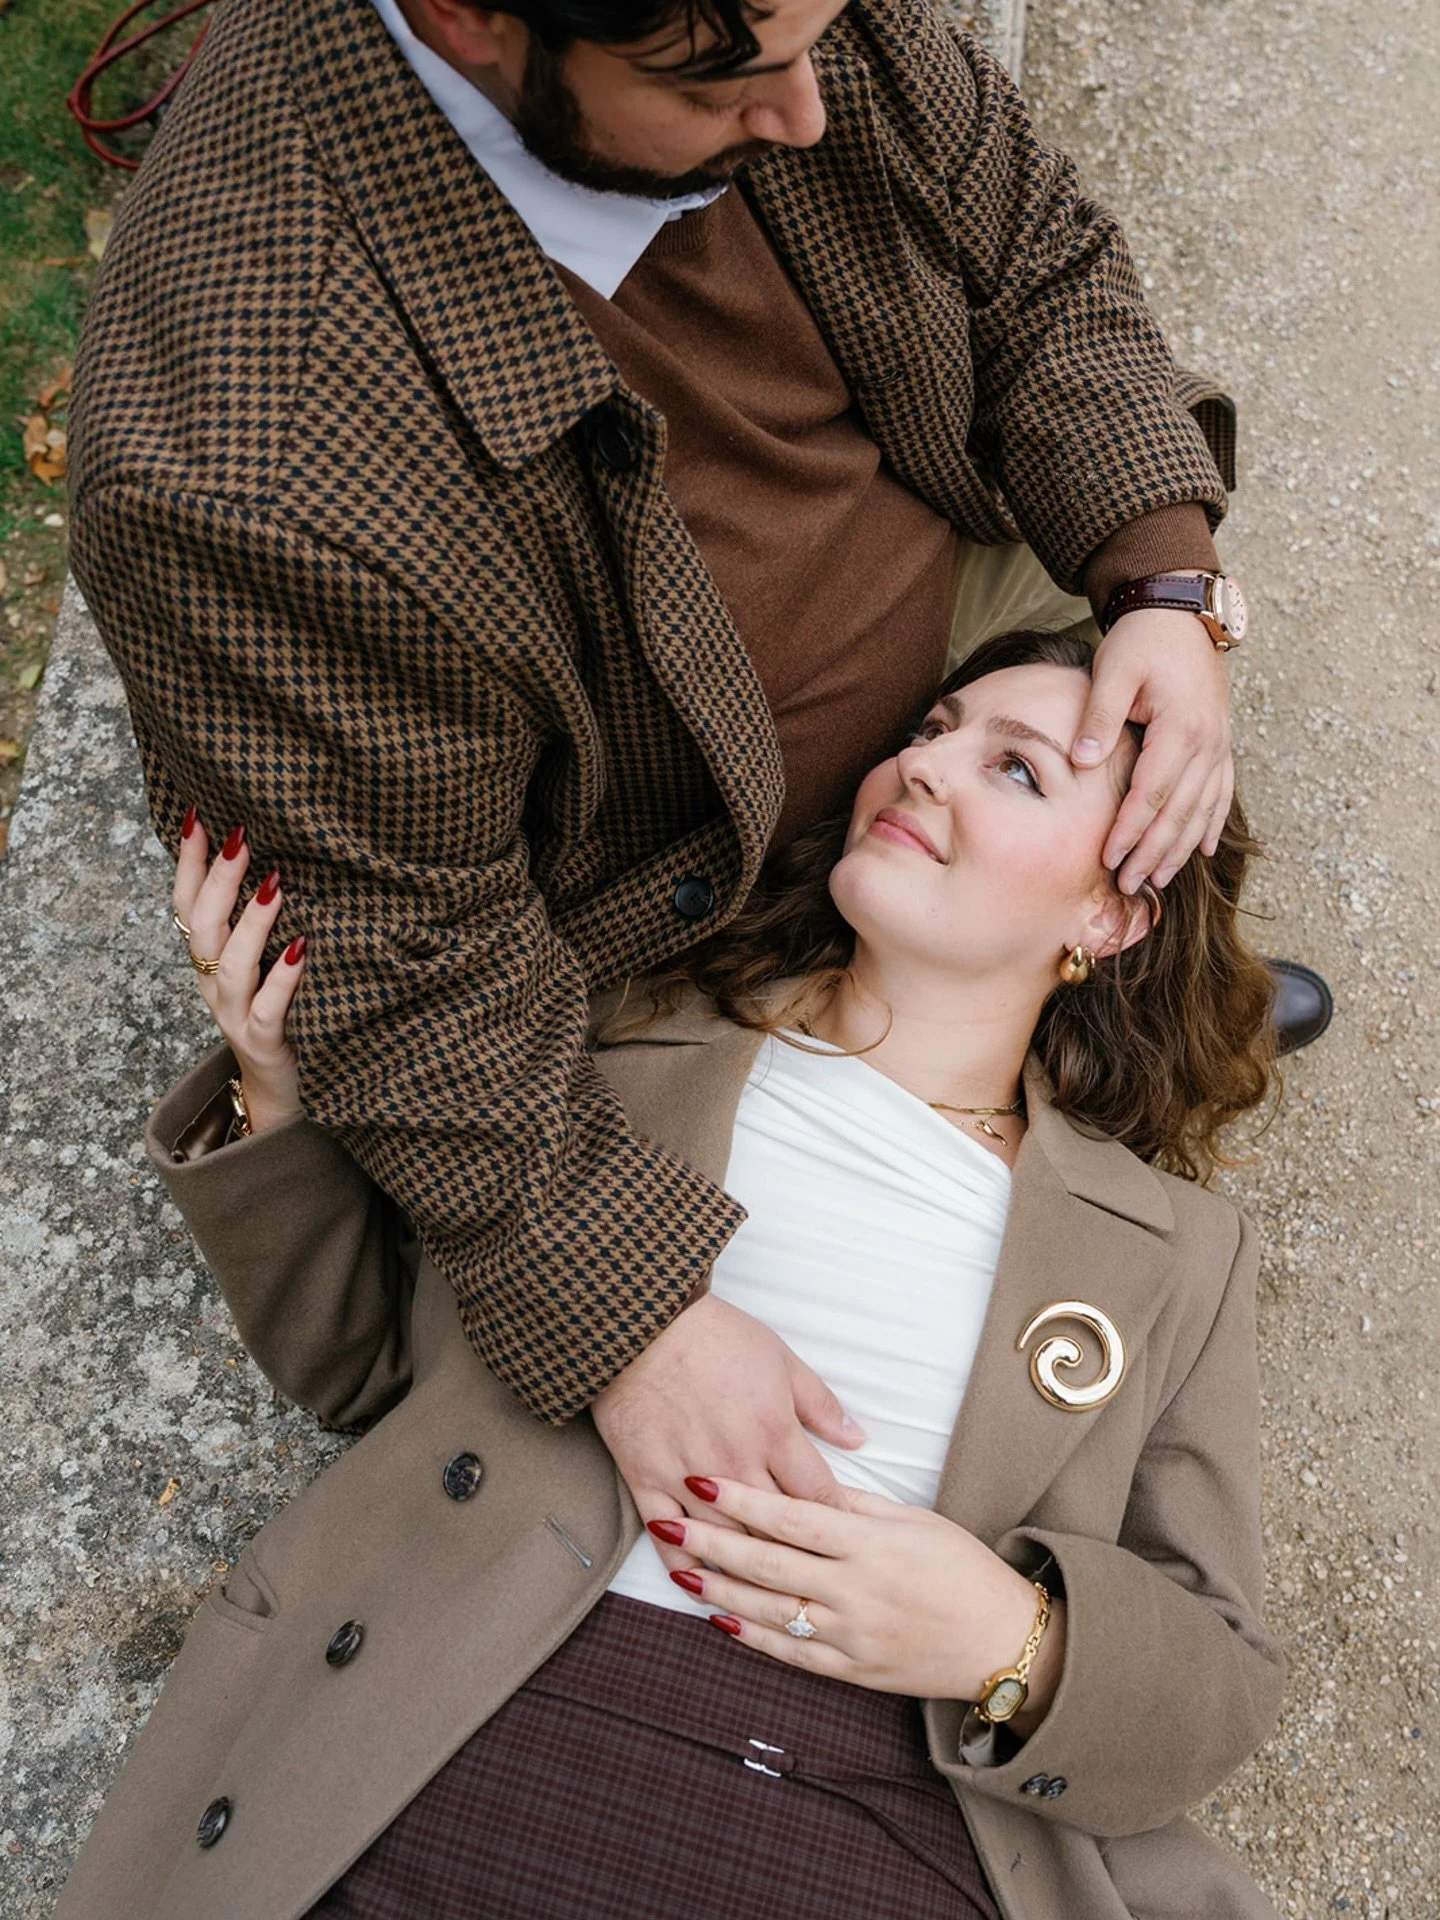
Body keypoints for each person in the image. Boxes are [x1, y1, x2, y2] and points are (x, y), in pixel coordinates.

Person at [67, 0, 1330, 1538]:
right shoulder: (243, 462)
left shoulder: (759, 13)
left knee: (1138, 736)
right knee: (1045, 805)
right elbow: (409, 948)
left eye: (823, 32)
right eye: (727, 81)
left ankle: (1103, 982)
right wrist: (629, 1313)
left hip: (953, 586)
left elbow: (1029, 254)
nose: (807, 108)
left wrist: (1157, 579)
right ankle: (1034, 975)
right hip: (665, 871)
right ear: (471, 20)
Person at [56, 634, 1284, 1919]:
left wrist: (1011, 1643)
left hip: (888, 1834)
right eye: (932, 726)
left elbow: (1220, 1680)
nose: (924, 767)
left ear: (1113, 911)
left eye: (1018, 771)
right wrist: (276, 1088)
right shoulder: (606, 1040)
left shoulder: (1174, 1253)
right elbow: (369, 1368)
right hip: (457, 1747)